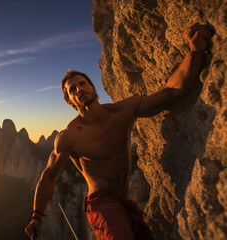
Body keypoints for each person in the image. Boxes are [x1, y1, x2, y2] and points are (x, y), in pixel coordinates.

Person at [25, 23, 213, 239]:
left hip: (126, 202)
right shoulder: (71, 136)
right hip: (101, 202)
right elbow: (49, 175)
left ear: (93, 87)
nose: (79, 88)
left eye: (82, 83)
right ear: (70, 101)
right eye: (73, 90)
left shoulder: (123, 111)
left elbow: (170, 93)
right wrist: (36, 217)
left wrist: (194, 51)